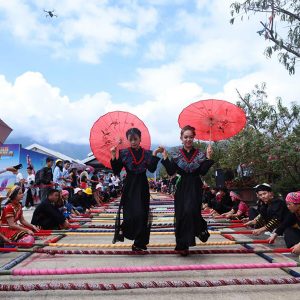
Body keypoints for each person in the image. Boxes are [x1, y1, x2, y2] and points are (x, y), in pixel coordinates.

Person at [161, 125, 214, 255]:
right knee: (181, 214)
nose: (188, 139)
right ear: (181, 138)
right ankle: (182, 245)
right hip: (182, 186)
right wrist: (165, 157)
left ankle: (198, 231)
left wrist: (208, 157)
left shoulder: (200, 154)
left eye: (191, 137)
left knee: (191, 211)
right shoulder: (176, 154)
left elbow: (202, 171)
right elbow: (171, 171)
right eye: (186, 137)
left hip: (195, 186)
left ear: (194, 138)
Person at [110, 127, 162, 251]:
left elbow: (151, 169)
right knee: (130, 214)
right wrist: (113, 155)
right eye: (131, 139)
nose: (133, 142)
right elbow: (116, 170)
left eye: (135, 139)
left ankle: (139, 242)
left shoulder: (147, 153)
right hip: (129, 186)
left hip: (142, 186)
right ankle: (126, 229)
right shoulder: (123, 153)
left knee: (142, 214)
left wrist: (154, 155)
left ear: (140, 139)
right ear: (128, 140)